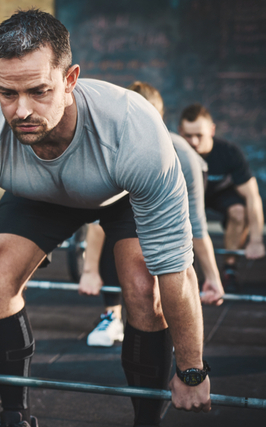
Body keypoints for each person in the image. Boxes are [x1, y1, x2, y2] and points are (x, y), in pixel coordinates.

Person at [0, 10, 211, 427]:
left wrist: (191, 370)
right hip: (38, 195)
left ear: (70, 80)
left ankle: (146, 420)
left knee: (143, 282)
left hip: (119, 194)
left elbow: (177, 268)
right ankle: (15, 414)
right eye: (7, 93)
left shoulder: (133, 130)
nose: (21, 110)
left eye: (38, 90)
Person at [78, 82, 224, 348]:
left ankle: (164, 322)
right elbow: (100, 219)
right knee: (121, 240)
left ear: (158, 119)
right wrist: (89, 271)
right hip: (126, 202)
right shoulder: (110, 150)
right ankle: (112, 315)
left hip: (169, 196)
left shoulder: (183, 157)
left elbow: (196, 225)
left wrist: (212, 277)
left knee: (162, 260)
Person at [179, 104, 266, 291]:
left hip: (219, 193)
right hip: (190, 195)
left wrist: (256, 240)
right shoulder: (176, 154)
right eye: (188, 135)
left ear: (211, 130)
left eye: (199, 135)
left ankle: (230, 269)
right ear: (180, 132)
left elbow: (252, 196)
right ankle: (184, 270)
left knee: (239, 211)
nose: (193, 142)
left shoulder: (228, 152)